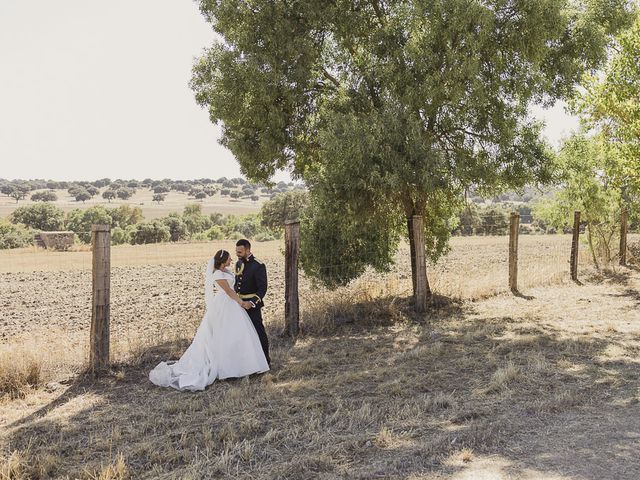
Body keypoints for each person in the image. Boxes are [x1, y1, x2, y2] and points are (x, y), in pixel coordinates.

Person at [148, 249, 269, 391]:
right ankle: (227, 368)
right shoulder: (217, 274)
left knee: (238, 334)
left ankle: (242, 365)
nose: (232, 260)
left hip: (232, 304)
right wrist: (241, 302)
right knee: (224, 334)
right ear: (223, 261)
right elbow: (229, 291)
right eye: (229, 258)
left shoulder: (228, 271)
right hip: (225, 303)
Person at [234, 239, 270, 366]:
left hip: (252, 306)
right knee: (242, 335)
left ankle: (266, 361)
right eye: (236, 251)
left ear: (248, 250)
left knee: (258, 332)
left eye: (240, 251)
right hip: (239, 305)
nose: (237, 254)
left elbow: (262, 288)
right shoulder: (238, 263)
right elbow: (237, 285)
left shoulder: (258, 265)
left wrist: (252, 303)